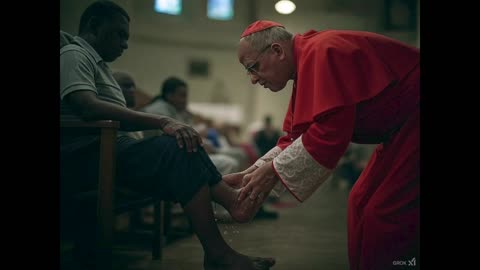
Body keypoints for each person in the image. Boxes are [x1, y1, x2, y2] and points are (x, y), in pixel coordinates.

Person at [60, 2, 275, 269]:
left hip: (111, 149)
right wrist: (162, 120)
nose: (125, 44)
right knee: (177, 145)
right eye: (120, 35)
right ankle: (227, 221)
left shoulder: (98, 65)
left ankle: (224, 230)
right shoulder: (74, 54)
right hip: (91, 155)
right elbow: (85, 106)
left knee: (184, 142)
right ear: (93, 25)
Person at [225, 20, 419, 270]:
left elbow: (330, 133)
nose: (252, 79)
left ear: (277, 51)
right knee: (359, 201)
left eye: (254, 67)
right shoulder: (307, 60)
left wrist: (272, 173)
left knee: (384, 213)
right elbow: (297, 137)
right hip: (401, 130)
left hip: (414, 120)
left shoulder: (322, 52)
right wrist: (250, 175)